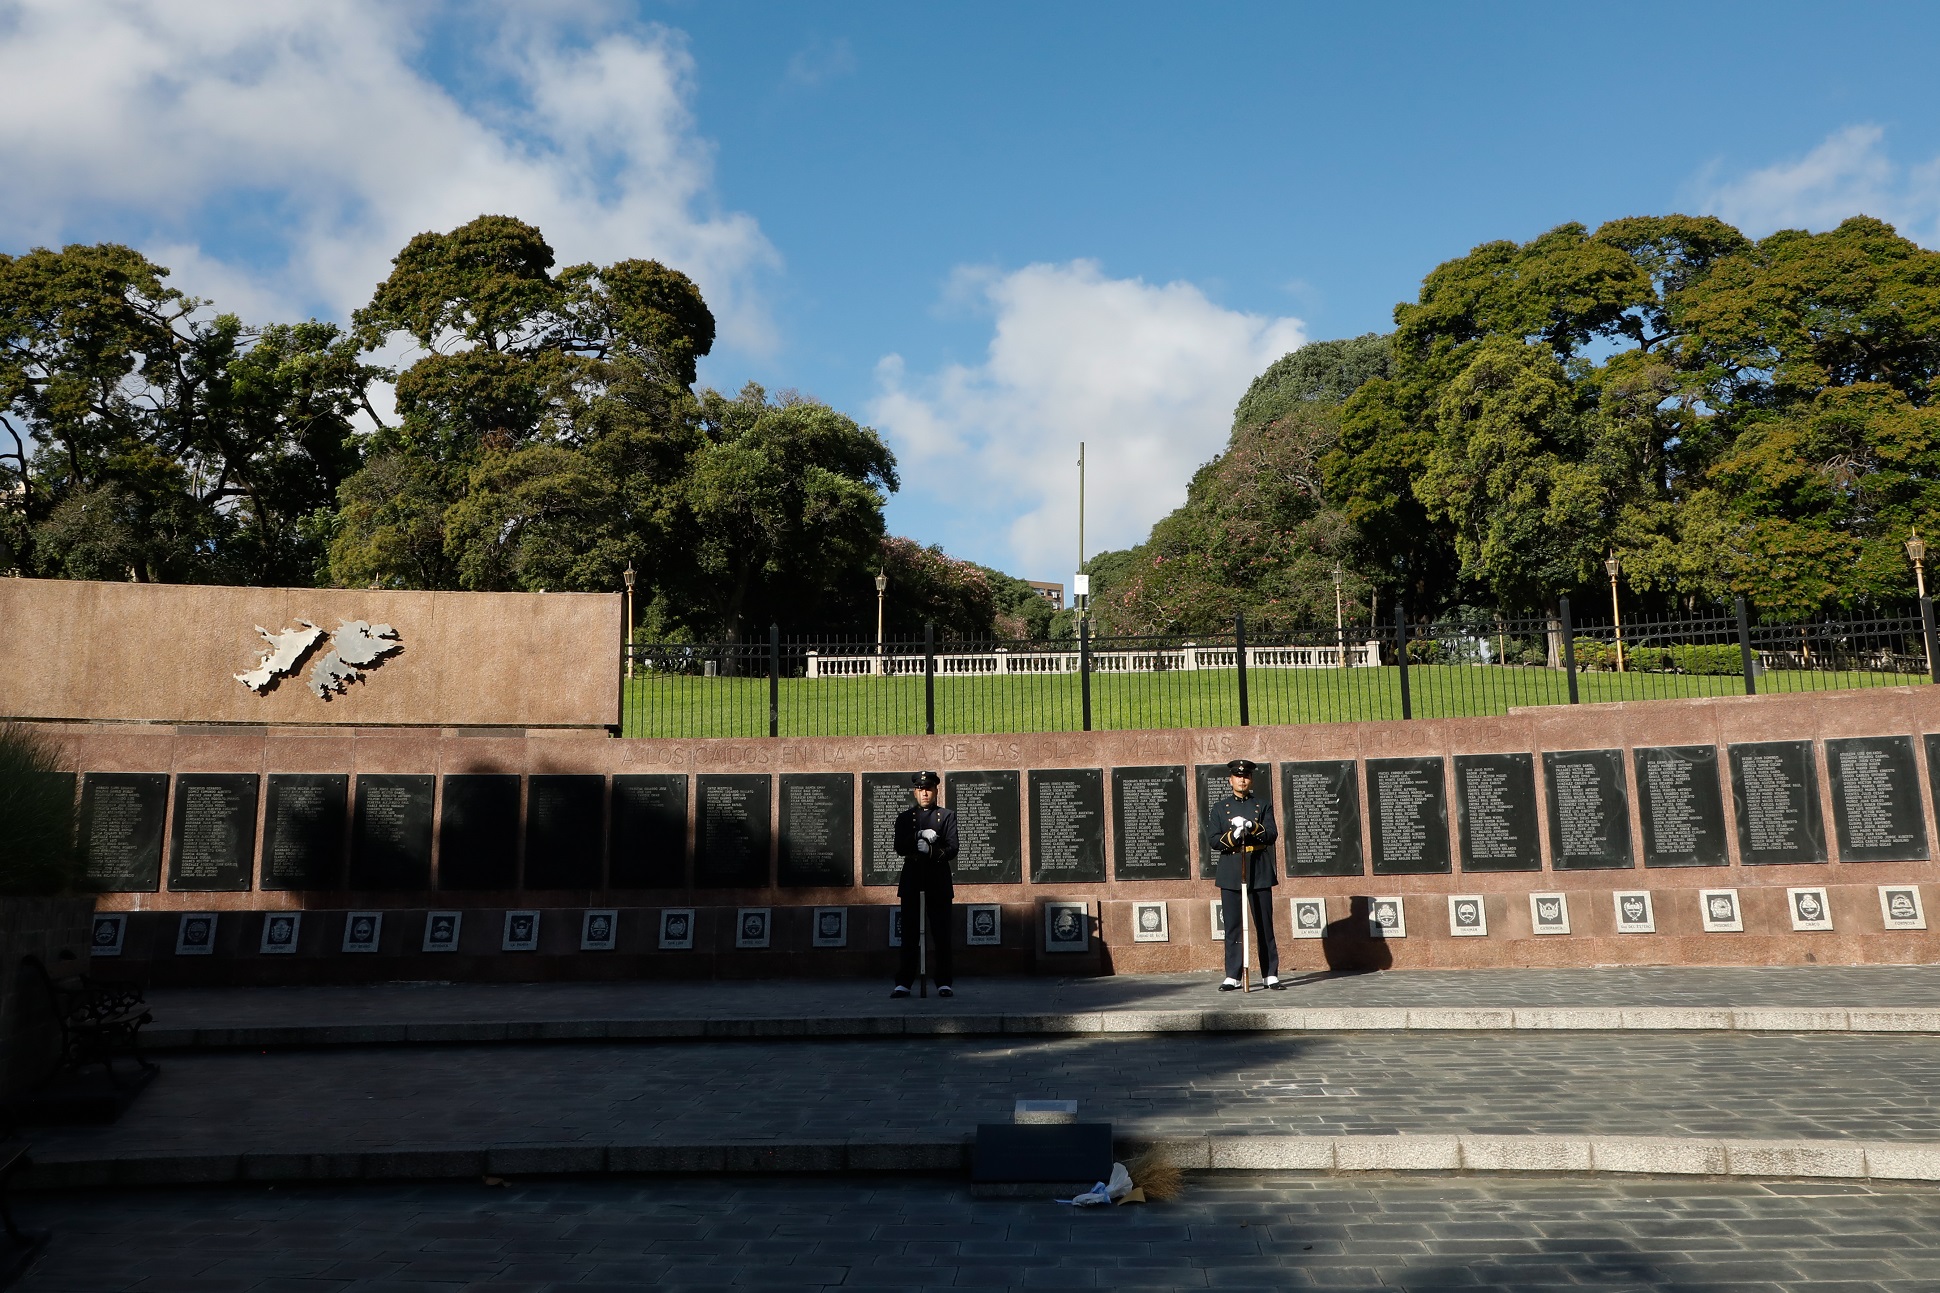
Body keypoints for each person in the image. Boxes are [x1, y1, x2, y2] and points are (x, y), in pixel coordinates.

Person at [1209, 757, 1281, 991]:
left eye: (1246, 776)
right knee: (1232, 925)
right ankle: (1233, 974)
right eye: (1238, 776)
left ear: (1251, 780)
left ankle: (1270, 974)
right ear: (1230, 780)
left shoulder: (1263, 805)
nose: (1242, 780)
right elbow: (1213, 840)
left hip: (1258, 869)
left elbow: (1271, 835)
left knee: (1264, 924)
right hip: (1232, 869)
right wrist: (1233, 835)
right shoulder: (1220, 808)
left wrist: (1252, 826)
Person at [891, 770, 958, 998]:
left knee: (941, 933)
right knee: (909, 933)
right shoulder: (904, 818)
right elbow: (900, 846)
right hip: (913, 877)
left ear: (936, 790)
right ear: (915, 792)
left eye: (928, 788)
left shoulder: (947, 816)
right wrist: (918, 835)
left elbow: (952, 848)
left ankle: (943, 981)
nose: (925, 793)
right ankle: (904, 982)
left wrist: (931, 851)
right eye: (920, 789)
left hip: (937, 878)